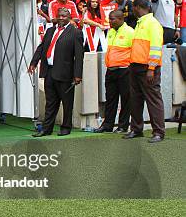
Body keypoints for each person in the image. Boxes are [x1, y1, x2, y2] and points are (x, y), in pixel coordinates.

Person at [29, 8, 84, 137]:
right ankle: (46, 129)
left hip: (65, 73)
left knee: (67, 103)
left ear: (69, 17)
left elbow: (79, 56)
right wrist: (34, 62)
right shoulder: (50, 31)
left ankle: (66, 127)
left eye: (64, 16)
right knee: (50, 103)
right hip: (49, 72)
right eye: (59, 15)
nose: (61, 18)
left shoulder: (75, 33)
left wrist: (77, 75)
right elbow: (41, 48)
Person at [123, 0, 165, 143]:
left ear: (138, 7)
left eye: (133, 7)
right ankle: (136, 129)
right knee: (135, 99)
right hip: (135, 66)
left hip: (147, 68)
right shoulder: (141, 24)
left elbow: (156, 48)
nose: (132, 10)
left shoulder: (153, 24)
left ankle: (159, 132)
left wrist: (151, 68)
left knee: (153, 99)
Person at [95, 10, 134, 134]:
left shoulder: (130, 32)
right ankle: (108, 125)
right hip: (111, 69)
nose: (110, 22)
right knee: (110, 99)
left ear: (121, 19)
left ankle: (123, 126)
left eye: (112, 19)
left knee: (125, 99)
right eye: (109, 19)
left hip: (124, 70)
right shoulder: (111, 32)